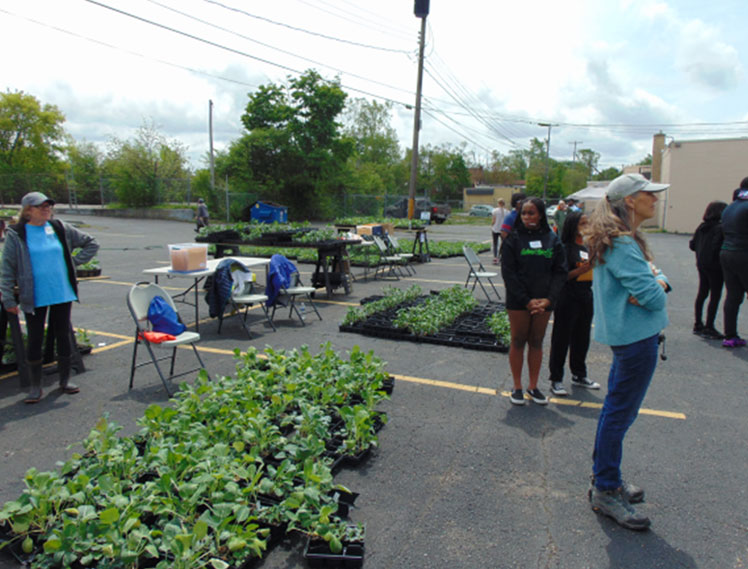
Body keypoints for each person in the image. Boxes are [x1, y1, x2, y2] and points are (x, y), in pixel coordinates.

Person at [585, 173, 671, 530]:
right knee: (619, 413)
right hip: (635, 341)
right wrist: (656, 286)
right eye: (649, 194)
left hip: (634, 338)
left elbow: (657, 279)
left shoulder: (625, 239)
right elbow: (652, 295)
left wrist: (657, 281)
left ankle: (607, 479)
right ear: (631, 200)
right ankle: (605, 488)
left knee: (616, 411)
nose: (656, 198)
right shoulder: (621, 243)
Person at [0, 192, 99, 404]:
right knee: (35, 338)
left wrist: (73, 263)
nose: (46, 209)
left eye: (48, 206)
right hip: (34, 295)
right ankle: (36, 386)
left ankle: (64, 381)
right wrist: (8, 299)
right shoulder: (16, 234)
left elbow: (91, 243)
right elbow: (7, 268)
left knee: (63, 334)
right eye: (40, 206)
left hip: (61, 292)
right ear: (28, 211)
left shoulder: (59, 227)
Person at [500, 197, 567, 406]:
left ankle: (533, 386)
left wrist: (548, 299)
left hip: (544, 302)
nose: (527, 217)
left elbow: (560, 271)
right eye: (524, 213)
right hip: (520, 302)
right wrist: (526, 300)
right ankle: (518, 386)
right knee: (518, 340)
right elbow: (509, 274)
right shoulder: (513, 239)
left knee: (537, 341)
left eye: (532, 213)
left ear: (540, 214)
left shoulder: (552, 238)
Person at [547, 211, 600, 396]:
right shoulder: (564, 248)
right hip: (567, 297)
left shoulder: (587, 247)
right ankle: (556, 378)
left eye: (587, 223)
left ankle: (579, 374)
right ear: (572, 225)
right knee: (561, 339)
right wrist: (582, 270)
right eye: (582, 223)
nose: (586, 226)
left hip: (585, 295)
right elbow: (561, 276)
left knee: (582, 337)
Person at [689, 201, 727, 339]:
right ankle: (709, 326)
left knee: (702, 293)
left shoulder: (702, 227)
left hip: (701, 264)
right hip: (715, 266)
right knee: (715, 295)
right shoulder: (720, 228)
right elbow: (718, 246)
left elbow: (692, 245)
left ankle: (698, 323)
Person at [719, 180, 748, 348]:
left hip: (727, 252)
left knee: (733, 296)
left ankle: (730, 336)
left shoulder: (730, 207)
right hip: (744, 252)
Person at [490, 198, 508, 265]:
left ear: (499, 203)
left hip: (495, 229)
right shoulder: (507, 212)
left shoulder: (495, 211)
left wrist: (491, 225)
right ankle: (500, 256)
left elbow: (493, 221)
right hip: (503, 229)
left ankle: (495, 257)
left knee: (495, 243)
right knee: (503, 243)